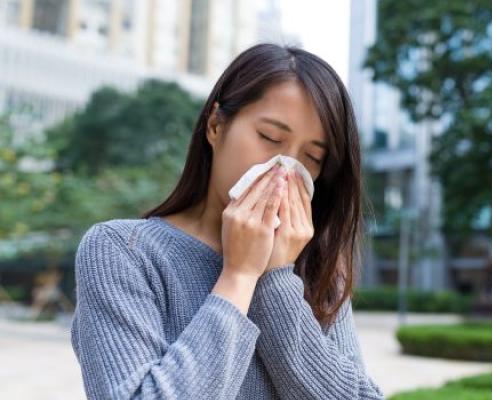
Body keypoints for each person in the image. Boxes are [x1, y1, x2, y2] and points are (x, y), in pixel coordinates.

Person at [70, 43, 385, 399]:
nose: (284, 169)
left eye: (312, 157)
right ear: (216, 124)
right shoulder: (122, 252)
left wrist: (276, 281)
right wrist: (240, 275)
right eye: (269, 137)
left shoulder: (318, 269)